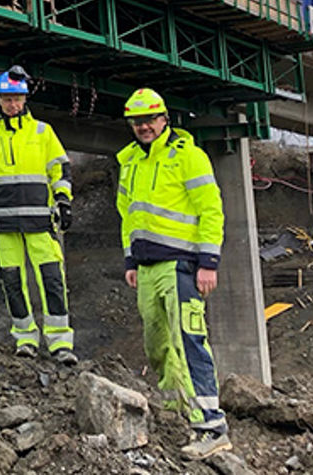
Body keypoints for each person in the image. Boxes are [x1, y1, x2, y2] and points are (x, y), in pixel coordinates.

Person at [116, 87, 231, 460]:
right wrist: (131, 260)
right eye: (137, 121)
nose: (143, 126)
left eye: (150, 119)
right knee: (157, 346)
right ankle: (176, 411)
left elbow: (211, 210)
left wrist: (208, 263)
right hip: (147, 268)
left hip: (182, 265)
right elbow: (127, 215)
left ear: (165, 119)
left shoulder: (188, 157)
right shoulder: (130, 160)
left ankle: (211, 425)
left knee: (189, 342)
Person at [0, 67, 77, 364]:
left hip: (40, 222)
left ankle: (60, 342)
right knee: (12, 283)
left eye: (16, 98)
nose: (12, 104)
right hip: (4, 226)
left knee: (52, 280)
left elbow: (60, 169)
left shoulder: (43, 132)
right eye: (6, 99)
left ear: (25, 99)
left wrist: (64, 200)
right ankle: (25, 338)